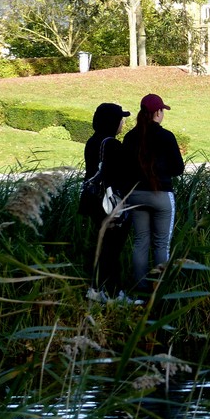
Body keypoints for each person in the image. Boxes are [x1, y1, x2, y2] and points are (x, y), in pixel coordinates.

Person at [121, 93, 185, 290]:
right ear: (157, 113)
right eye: (162, 111)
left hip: (136, 195)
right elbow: (178, 169)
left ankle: (139, 290)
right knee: (161, 245)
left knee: (140, 241)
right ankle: (160, 290)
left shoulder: (130, 137)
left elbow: (125, 169)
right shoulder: (166, 136)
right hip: (161, 195)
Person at [81, 102, 131, 298]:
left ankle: (96, 289)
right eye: (121, 119)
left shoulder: (92, 141)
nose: (123, 123)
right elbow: (120, 173)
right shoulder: (111, 144)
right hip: (108, 202)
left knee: (102, 246)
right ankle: (113, 293)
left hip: (93, 200)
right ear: (113, 121)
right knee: (112, 248)